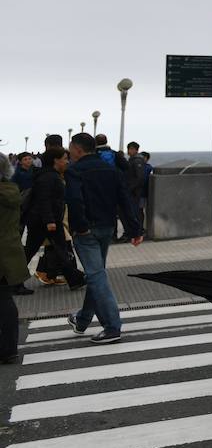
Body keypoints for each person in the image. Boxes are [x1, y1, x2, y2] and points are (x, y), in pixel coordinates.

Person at [65, 132, 142, 344]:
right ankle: (82, 319)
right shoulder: (111, 169)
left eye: (70, 149)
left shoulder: (74, 170)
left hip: (86, 231)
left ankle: (112, 326)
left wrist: (81, 227)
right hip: (107, 227)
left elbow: (74, 200)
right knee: (96, 274)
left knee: (96, 276)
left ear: (78, 149)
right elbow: (125, 200)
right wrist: (135, 229)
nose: (69, 153)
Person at [22, 148, 85, 290]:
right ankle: (10, 281)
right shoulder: (48, 177)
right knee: (32, 251)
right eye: (64, 158)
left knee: (60, 250)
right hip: (44, 222)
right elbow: (43, 200)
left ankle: (75, 279)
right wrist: (49, 220)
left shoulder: (50, 175)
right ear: (56, 160)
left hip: (48, 220)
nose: (67, 161)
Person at [1, 156, 26, 363]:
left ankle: (7, 348)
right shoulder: (10, 190)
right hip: (9, 250)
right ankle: (9, 348)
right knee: (4, 299)